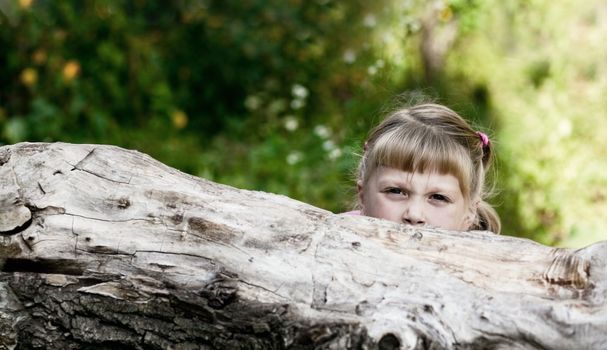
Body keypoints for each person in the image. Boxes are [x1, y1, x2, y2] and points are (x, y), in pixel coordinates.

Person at [350, 102, 501, 233]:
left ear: (470, 212)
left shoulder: (481, 263)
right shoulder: (330, 238)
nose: (414, 215)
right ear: (362, 195)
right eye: (395, 191)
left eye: (438, 197)